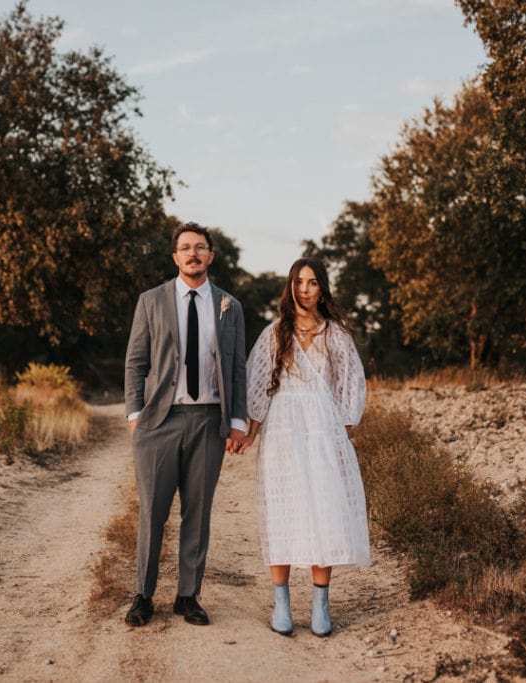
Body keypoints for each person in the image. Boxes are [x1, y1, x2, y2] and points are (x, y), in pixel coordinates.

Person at [123, 222, 248, 627]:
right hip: (159, 422)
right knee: (153, 513)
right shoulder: (151, 301)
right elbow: (136, 362)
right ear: (175, 257)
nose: (193, 254)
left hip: (210, 421)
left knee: (198, 511)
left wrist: (237, 420)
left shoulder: (231, 306)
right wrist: (134, 414)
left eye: (200, 248)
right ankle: (143, 595)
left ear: (211, 256)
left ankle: (187, 596)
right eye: (185, 248)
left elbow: (238, 368)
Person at [238, 256, 370, 637]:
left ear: (322, 288)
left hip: (323, 429)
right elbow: (259, 386)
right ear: (290, 286)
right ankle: (281, 602)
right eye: (299, 282)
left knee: (323, 512)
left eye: (313, 283)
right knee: (283, 510)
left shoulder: (336, 335)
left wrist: (340, 427)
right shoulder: (275, 332)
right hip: (283, 429)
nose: (305, 290)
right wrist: (251, 433)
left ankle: (320, 603)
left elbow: (351, 384)